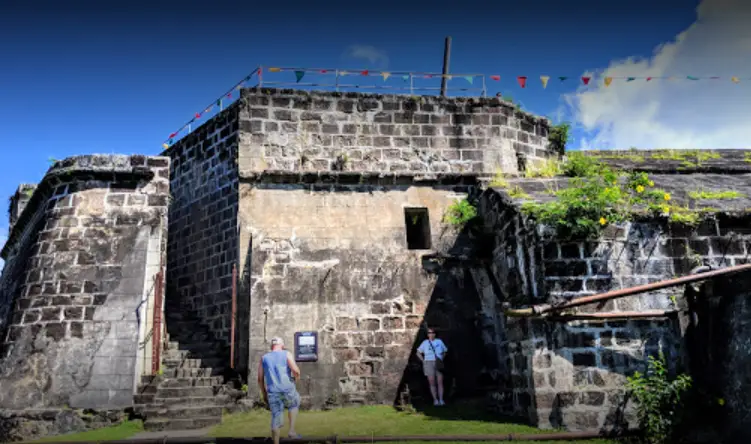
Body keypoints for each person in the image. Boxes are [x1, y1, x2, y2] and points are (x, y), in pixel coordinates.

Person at [257, 337, 302, 444]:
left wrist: (264, 393)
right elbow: (295, 371)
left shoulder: (264, 358)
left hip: (273, 391)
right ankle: (291, 431)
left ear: (271, 346)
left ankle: (276, 442)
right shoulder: (286, 354)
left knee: (276, 416)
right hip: (287, 388)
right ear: (282, 345)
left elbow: (260, 378)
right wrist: (296, 379)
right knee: (294, 404)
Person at [416, 327, 448, 406]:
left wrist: (441, 359)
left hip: (438, 363)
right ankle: (435, 400)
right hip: (428, 362)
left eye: (432, 333)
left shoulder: (439, 341)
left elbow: (445, 351)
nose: (431, 335)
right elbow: (418, 352)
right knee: (432, 382)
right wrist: (424, 361)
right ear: (427, 335)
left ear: (435, 334)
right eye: (429, 333)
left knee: (440, 382)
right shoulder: (425, 342)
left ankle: (441, 399)